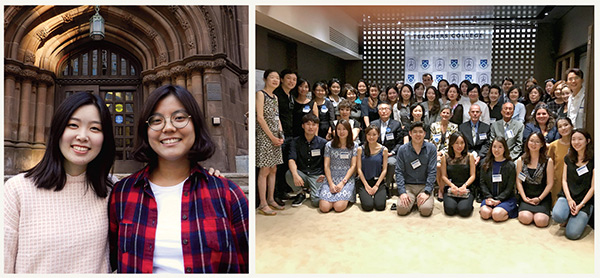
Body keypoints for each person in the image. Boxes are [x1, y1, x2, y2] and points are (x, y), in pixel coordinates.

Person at [109, 85, 249, 273]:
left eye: (179, 118)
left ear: (196, 125)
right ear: (146, 130)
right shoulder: (123, 193)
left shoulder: (227, 194)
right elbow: (111, 259)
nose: (168, 128)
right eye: (156, 120)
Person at [4, 92, 116, 273]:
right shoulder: (18, 189)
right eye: (73, 125)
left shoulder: (112, 189)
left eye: (95, 128)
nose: (82, 136)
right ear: (58, 130)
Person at [552, 129, 594, 240]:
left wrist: (581, 205)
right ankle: (568, 215)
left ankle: (580, 216)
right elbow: (564, 181)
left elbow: (594, 187)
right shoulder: (569, 158)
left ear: (588, 141)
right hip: (568, 196)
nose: (576, 142)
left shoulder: (594, 160)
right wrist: (569, 199)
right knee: (557, 215)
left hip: (584, 201)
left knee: (572, 234)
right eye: (574, 139)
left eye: (580, 139)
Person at [256, 70, 285, 215]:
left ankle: (271, 198)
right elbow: (260, 118)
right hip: (265, 136)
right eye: (272, 77)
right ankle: (262, 203)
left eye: (277, 78)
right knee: (265, 170)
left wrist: (280, 134)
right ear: (265, 79)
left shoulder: (275, 97)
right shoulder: (260, 94)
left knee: (273, 169)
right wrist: (271, 137)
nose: (275, 80)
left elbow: (277, 117)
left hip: (275, 135)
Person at [395, 122, 437, 216]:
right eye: (415, 132)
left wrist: (427, 191)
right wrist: (402, 192)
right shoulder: (402, 149)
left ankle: (420, 200)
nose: (418, 135)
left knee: (426, 211)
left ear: (425, 134)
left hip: (424, 186)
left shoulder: (431, 148)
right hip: (408, 186)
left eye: (420, 132)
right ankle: (413, 200)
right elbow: (399, 172)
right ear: (410, 133)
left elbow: (432, 171)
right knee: (402, 210)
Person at [286, 114, 327, 207]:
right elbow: (291, 159)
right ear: (303, 126)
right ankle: (300, 193)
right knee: (289, 173)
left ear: (317, 127)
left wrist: (324, 174)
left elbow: (327, 162)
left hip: (317, 176)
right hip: (302, 175)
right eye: (308, 124)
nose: (311, 127)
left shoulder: (323, 143)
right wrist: (295, 175)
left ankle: (312, 190)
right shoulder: (295, 142)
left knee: (316, 203)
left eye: (314, 125)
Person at [516, 132, 554, 228]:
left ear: (542, 144)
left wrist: (539, 198)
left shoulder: (548, 161)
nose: (533, 144)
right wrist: (524, 198)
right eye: (531, 141)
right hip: (526, 196)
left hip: (542, 196)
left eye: (537, 142)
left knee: (541, 221)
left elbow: (550, 184)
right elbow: (519, 182)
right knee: (525, 218)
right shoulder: (521, 160)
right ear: (527, 142)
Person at [319, 120, 358, 213]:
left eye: (344, 129)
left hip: (346, 179)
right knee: (324, 208)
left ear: (349, 131)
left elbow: (353, 166)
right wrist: (331, 183)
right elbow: (326, 166)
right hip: (331, 178)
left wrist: (342, 183)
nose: (341, 131)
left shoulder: (354, 145)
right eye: (339, 129)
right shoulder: (329, 145)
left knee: (338, 207)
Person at [273, 69, 298, 205]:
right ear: (282, 79)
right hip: (280, 136)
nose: (291, 82)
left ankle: (283, 191)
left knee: (285, 166)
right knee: (277, 166)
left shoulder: (291, 95)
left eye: (294, 79)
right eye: (288, 78)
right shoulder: (276, 95)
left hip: (290, 135)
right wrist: (280, 134)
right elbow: (276, 117)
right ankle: (276, 194)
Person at [479, 137, 518, 222]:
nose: (497, 150)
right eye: (494, 146)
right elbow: (482, 183)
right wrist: (489, 197)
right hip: (489, 198)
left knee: (497, 215)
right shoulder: (485, 163)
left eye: (500, 147)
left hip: (506, 198)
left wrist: (498, 199)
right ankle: (493, 207)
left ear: (505, 148)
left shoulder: (510, 165)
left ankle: (504, 210)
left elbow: (510, 187)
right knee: (485, 213)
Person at [458, 103, 491, 201]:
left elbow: (487, 144)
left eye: (477, 112)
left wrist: (479, 156)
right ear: (469, 113)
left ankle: (481, 191)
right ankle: (468, 188)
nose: (475, 114)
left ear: (480, 113)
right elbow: (461, 143)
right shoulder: (462, 127)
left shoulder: (486, 127)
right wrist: (470, 155)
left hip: (481, 154)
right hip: (466, 152)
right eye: (473, 112)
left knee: (484, 164)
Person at [370, 102, 404, 197]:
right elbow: (369, 140)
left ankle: (387, 186)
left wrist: (392, 152)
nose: (384, 111)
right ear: (378, 111)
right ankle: (371, 184)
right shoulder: (373, 124)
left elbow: (399, 142)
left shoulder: (396, 124)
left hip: (390, 153)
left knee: (391, 163)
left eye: (386, 109)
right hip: (376, 152)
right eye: (381, 109)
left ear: (390, 111)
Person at [440, 132, 476, 216]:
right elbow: (443, 176)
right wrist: (452, 186)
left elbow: (473, 175)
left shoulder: (469, 156)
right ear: (451, 144)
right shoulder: (445, 157)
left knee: (464, 211)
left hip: (466, 188)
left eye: (462, 143)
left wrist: (465, 186)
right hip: (451, 187)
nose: (459, 146)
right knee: (450, 210)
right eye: (456, 143)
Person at [430, 105, 458, 200]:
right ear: (440, 113)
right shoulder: (434, 126)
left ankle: (440, 190)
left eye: (447, 113)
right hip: (434, 152)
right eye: (444, 112)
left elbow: (453, 143)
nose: (445, 115)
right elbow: (431, 141)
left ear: (451, 115)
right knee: (438, 166)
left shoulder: (454, 127)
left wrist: (441, 153)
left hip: (449, 153)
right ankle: (441, 189)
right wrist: (436, 153)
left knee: (440, 165)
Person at [357, 125, 388, 211]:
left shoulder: (384, 150)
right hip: (364, 181)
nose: (371, 137)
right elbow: (359, 169)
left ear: (378, 135)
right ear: (365, 135)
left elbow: (384, 170)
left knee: (380, 206)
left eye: (374, 134)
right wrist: (366, 186)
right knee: (368, 206)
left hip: (378, 181)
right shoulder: (360, 149)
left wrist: (376, 185)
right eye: (369, 134)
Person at [548, 117, 574, 205]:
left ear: (572, 126)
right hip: (557, 181)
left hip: (575, 182)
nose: (563, 128)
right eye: (560, 126)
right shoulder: (553, 146)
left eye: (566, 125)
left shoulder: (578, 144)